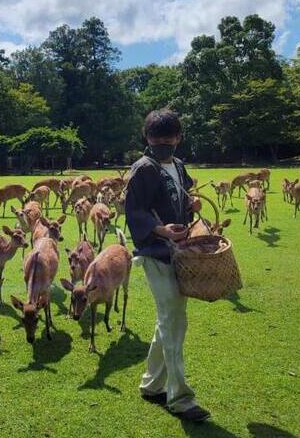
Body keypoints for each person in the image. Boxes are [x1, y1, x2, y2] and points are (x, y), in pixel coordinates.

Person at [125, 108, 209, 422]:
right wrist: (161, 230)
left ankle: (151, 384)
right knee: (174, 320)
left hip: (181, 252)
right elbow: (135, 211)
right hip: (156, 253)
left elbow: (181, 200)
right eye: (156, 138)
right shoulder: (142, 169)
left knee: (170, 318)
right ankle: (181, 399)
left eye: (168, 138)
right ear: (146, 138)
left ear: (178, 138)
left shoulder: (179, 165)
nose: (162, 143)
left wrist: (192, 204)